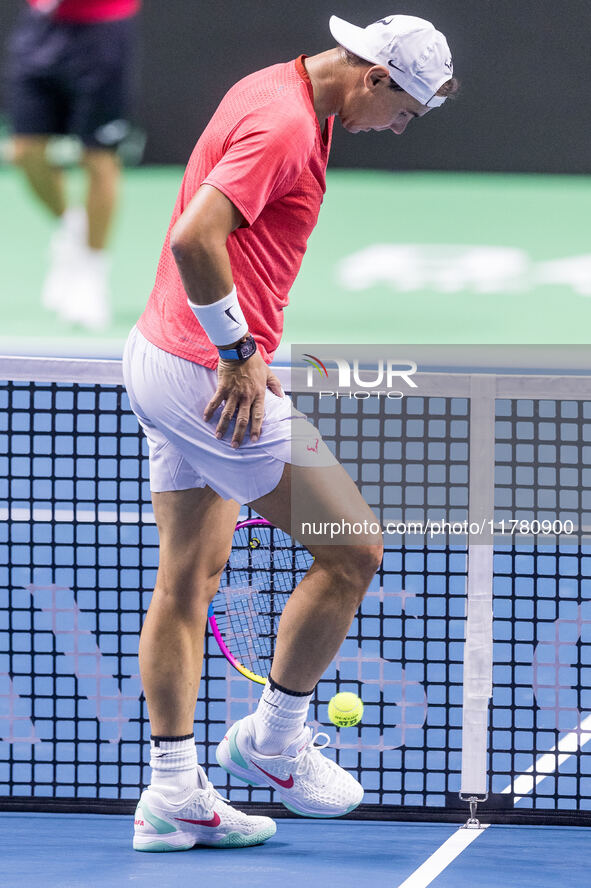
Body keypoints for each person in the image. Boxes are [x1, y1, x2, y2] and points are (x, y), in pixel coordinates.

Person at [124, 13, 458, 852]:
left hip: (160, 355)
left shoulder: (280, 89)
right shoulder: (282, 124)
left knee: (186, 580)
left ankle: (172, 796)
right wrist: (239, 349)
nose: (397, 127)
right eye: (404, 110)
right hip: (211, 379)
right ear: (374, 77)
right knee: (354, 549)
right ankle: (273, 742)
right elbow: (195, 237)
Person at [4, 0, 141, 330]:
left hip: (102, 31)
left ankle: (92, 275)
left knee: (97, 158)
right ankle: (73, 228)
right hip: (41, 26)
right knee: (24, 152)